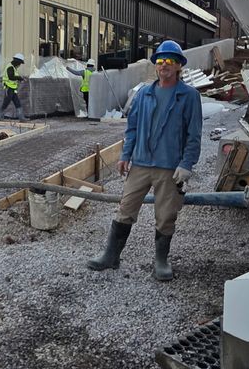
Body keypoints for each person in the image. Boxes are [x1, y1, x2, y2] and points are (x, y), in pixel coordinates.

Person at [86, 40, 202, 281]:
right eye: (160, 61)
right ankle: (111, 255)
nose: (164, 65)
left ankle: (161, 261)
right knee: (125, 209)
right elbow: (132, 129)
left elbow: (194, 135)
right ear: (155, 66)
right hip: (140, 164)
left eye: (170, 61)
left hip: (169, 167)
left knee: (166, 215)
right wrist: (125, 155)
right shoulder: (144, 94)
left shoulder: (189, 96)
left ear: (179, 65)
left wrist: (186, 164)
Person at [0, 53, 27, 121]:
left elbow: (13, 77)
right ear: (17, 62)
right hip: (8, 88)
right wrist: (20, 78)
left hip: (12, 88)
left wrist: (19, 79)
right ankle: (0, 117)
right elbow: (11, 77)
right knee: (6, 102)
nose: (20, 65)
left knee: (17, 103)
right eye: (20, 63)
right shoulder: (10, 67)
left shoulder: (13, 68)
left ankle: (21, 118)